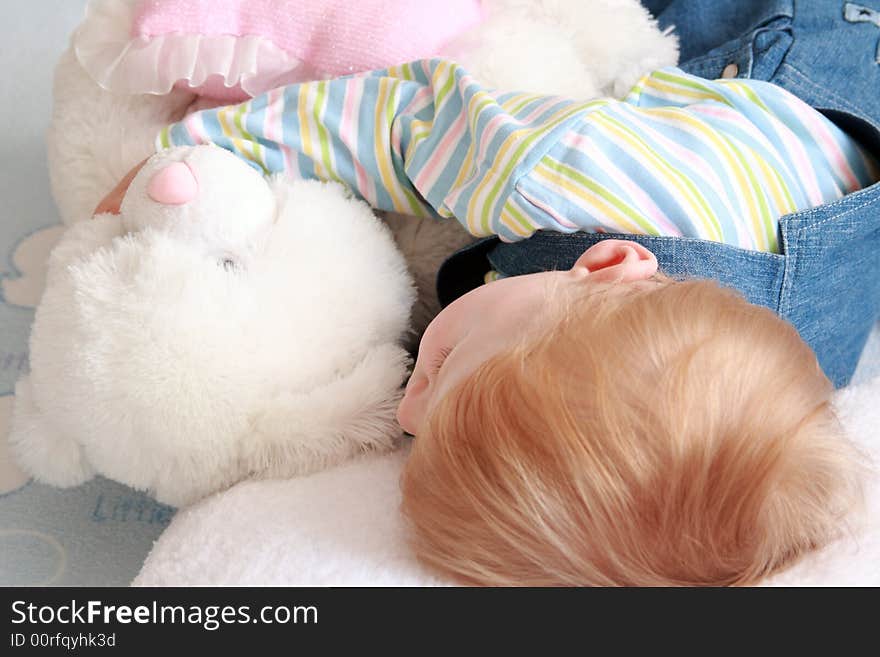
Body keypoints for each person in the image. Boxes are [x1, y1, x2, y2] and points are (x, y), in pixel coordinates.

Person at [95, 1, 873, 585]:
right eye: (441, 367)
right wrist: (187, 151)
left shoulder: (772, 392)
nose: (404, 408)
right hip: (785, 35)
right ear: (601, 267)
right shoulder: (559, 173)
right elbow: (400, 122)